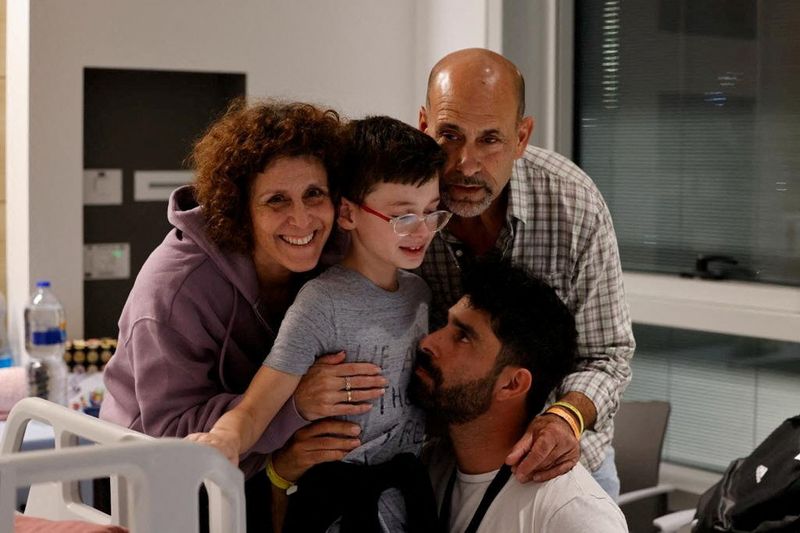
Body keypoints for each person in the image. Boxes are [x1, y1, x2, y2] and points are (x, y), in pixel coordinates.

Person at [99, 100, 388, 533]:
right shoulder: (174, 290)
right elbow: (173, 436)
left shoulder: (335, 256)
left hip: (267, 466)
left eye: (314, 194)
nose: (302, 218)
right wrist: (295, 404)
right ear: (241, 210)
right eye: (276, 200)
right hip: (158, 479)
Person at [187, 116, 450, 533]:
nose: (422, 232)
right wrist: (225, 440)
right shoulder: (321, 302)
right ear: (347, 213)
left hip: (408, 500)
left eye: (432, 213)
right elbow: (258, 405)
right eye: (402, 218)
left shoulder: (420, 294)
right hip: (338, 510)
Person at [417, 48, 635, 497]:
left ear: (521, 136)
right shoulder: (395, 204)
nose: (466, 164)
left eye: (490, 139)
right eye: (450, 135)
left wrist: (564, 418)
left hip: (562, 465)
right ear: (423, 126)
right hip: (441, 464)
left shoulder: (572, 203)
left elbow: (607, 355)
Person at [411, 258, 628, 532]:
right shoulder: (429, 470)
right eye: (445, 325)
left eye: (463, 337)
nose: (428, 342)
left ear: (512, 384)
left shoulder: (573, 513)